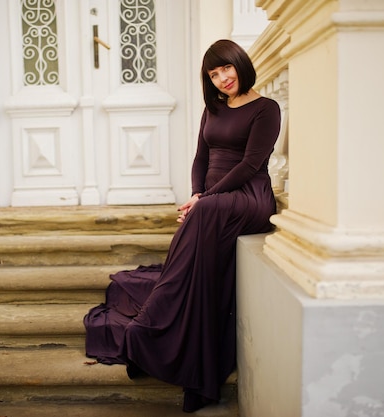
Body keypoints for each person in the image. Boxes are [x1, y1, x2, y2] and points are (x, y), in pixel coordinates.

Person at [84, 39, 281, 413]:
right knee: (201, 238)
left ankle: (162, 326)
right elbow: (200, 158)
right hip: (213, 200)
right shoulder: (214, 109)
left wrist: (203, 201)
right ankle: (159, 324)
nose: (222, 78)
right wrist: (196, 192)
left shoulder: (266, 109)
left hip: (249, 196)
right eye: (214, 73)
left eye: (227, 68)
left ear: (242, 64)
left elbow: (250, 166)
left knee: (204, 214)